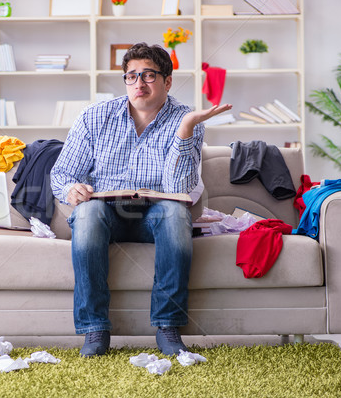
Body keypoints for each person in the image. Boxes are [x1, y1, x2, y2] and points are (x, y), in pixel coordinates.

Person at [50, 42, 232, 357]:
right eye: (132, 76)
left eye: (148, 76)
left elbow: (179, 188)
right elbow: (61, 174)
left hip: (155, 215)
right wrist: (70, 190)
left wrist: (186, 130)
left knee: (175, 215)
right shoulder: (95, 117)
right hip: (105, 211)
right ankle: (94, 330)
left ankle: (168, 327)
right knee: (89, 215)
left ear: (167, 81)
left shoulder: (187, 119)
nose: (139, 84)